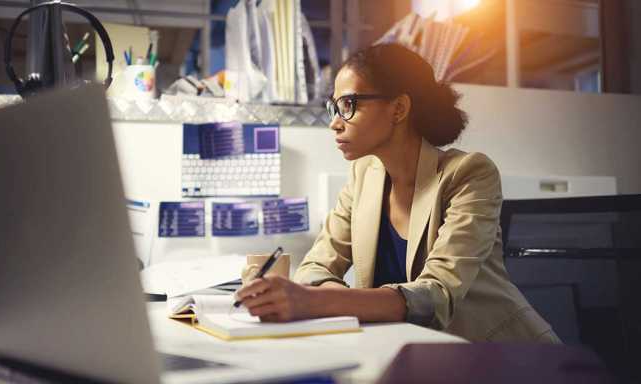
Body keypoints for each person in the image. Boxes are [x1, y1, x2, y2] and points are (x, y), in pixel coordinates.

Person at [235, 43, 560, 343]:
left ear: (399, 109)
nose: (335, 123)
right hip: (413, 355)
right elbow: (315, 267)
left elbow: (436, 296)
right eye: (333, 107)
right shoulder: (363, 175)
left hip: (502, 357)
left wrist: (315, 300)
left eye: (348, 105)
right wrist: (324, 299)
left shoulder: (469, 174)